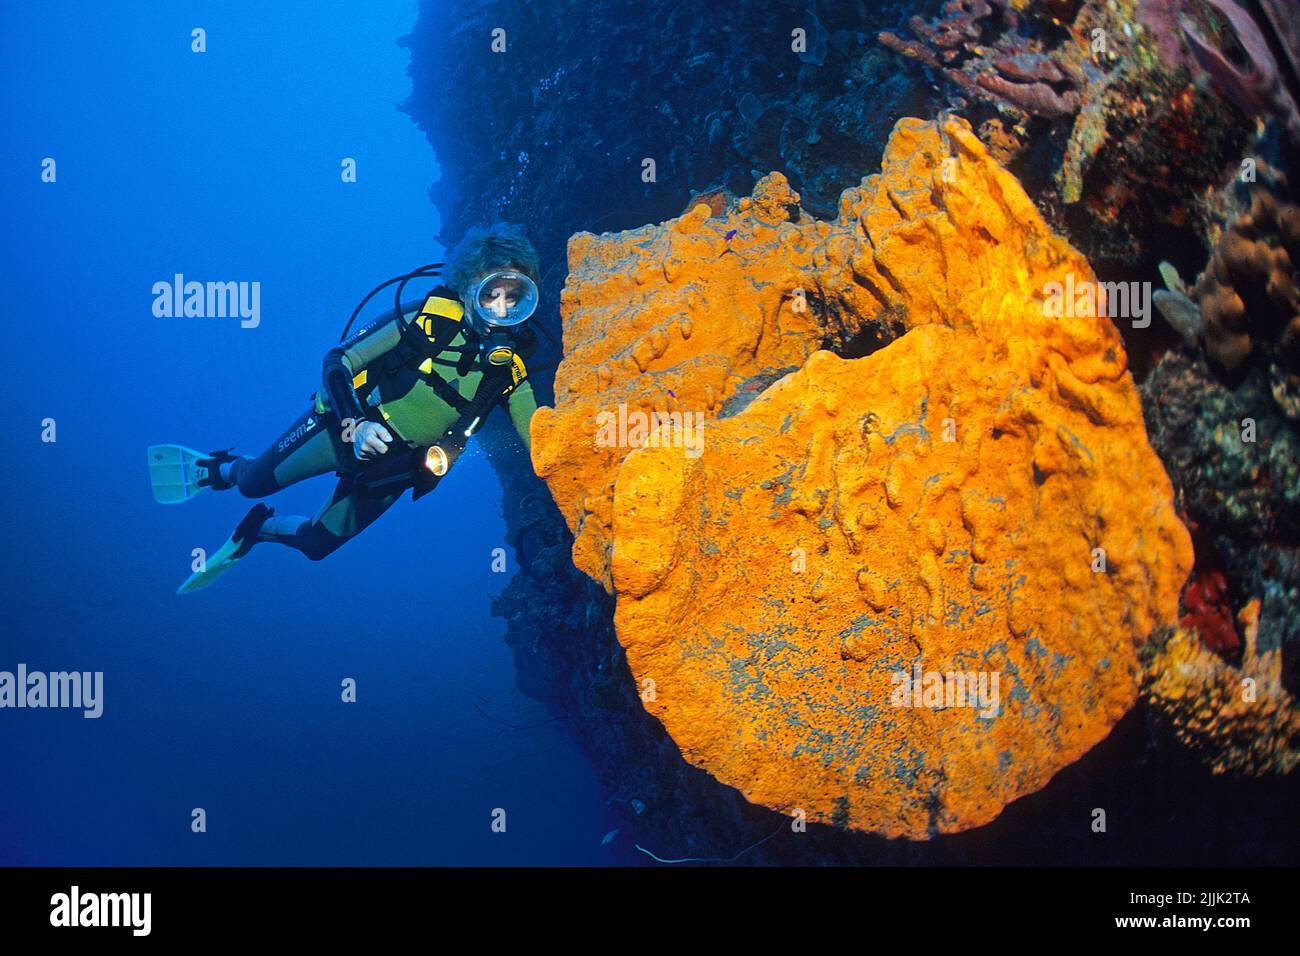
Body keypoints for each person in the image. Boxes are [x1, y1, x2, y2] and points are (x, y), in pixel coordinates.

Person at [148, 224, 542, 593]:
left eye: (515, 296)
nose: (502, 308)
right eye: (492, 292)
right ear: (470, 283)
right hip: (341, 426)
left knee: (317, 546)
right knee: (252, 484)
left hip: (397, 467)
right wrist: (356, 426)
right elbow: (338, 361)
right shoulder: (425, 318)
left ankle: (258, 531)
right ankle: (222, 469)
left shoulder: (510, 372)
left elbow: (541, 442)